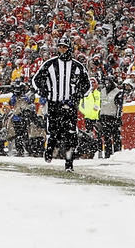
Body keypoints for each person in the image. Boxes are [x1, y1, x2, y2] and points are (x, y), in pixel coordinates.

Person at [32, 35, 91, 171]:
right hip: (54, 103)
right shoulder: (50, 64)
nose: (61, 50)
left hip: (70, 105)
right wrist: (44, 91)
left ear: (69, 48)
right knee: (54, 131)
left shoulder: (78, 67)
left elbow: (86, 85)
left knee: (70, 133)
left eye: (64, 47)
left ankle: (69, 162)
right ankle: (50, 150)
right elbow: (37, 80)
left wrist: (77, 96)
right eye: (60, 47)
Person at [98, 77, 125, 157]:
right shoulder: (102, 91)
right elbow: (101, 103)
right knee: (106, 137)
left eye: (108, 83)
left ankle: (117, 154)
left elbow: (119, 107)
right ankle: (107, 154)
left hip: (113, 117)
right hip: (104, 116)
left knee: (116, 136)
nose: (107, 84)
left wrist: (118, 117)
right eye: (106, 83)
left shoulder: (117, 92)